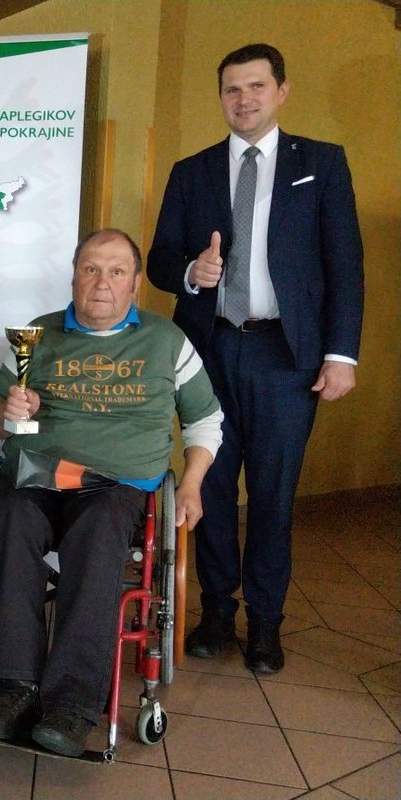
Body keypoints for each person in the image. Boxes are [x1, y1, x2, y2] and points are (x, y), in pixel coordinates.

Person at [146, 43, 363, 675]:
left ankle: (266, 621)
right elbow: (160, 260)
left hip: (285, 354)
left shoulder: (320, 164)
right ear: (221, 97)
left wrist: (341, 354)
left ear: (281, 91)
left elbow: (345, 265)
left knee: (272, 492)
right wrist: (191, 272)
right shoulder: (192, 171)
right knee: (210, 482)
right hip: (208, 349)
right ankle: (216, 610)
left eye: (256, 87)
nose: (244, 99)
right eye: (232, 89)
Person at [0, 229, 222, 757]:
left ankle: (72, 703)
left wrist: (192, 483)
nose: (102, 283)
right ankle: (12, 688)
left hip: (116, 484)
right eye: (90, 269)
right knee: (9, 517)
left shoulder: (166, 340)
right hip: (37, 475)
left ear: (134, 284)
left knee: (98, 530)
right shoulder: (39, 333)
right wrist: (5, 413)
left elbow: (205, 420)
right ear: (74, 277)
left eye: (116, 271)